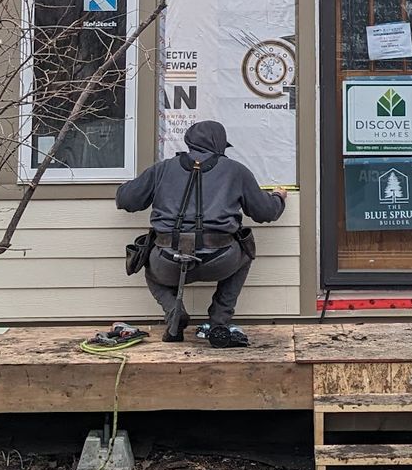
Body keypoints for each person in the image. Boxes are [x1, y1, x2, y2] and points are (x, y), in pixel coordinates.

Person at [115, 120, 285, 346]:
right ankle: (219, 322)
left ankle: (174, 313)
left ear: (189, 142)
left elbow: (126, 200)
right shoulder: (236, 171)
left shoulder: (162, 168)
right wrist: (278, 198)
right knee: (245, 252)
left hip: (167, 261)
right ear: (220, 145)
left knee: (148, 263)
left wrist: (132, 184)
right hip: (220, 260)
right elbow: (266, 212)